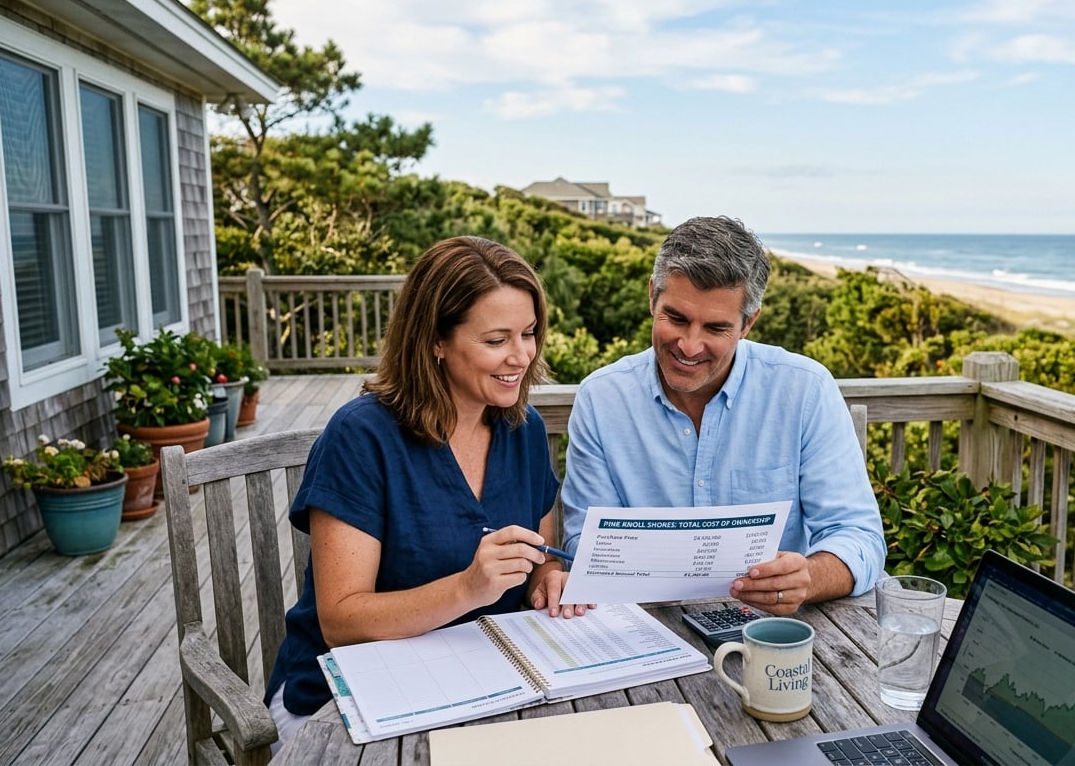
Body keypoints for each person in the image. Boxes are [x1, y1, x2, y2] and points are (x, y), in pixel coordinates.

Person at [264, 236, 585, 750]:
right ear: (435, 340)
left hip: (486, 681)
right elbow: (341, 621)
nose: (521, 356)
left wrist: (548, 579)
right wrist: (467, 589)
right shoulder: (361, 437)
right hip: (344, 699)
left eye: (529, 333)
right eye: (496, 339)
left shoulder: (522, 428)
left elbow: (541, 555)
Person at [560, 216, 886, 617]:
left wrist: (808, 578)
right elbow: (582, 546)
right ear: (651, 297)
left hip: (774, 634)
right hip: (647, 632)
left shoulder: (805, 389)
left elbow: (860, 537)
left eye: (715, 328)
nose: (689, 345)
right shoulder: (601, 398)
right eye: (676, 318)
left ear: (749, 323)